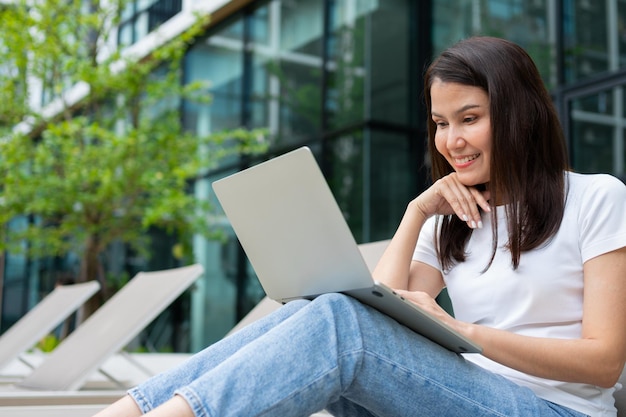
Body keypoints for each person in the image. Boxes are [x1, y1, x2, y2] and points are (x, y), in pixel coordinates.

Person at [93, 36, 626, 417]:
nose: (451, 141)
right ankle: (129, 411)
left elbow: (604, 363)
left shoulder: (595, 197)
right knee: (319, 309)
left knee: (340, 326)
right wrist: (416, 212)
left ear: (520, 115)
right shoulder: (450, 220)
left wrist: (465, 334)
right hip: (451, 397)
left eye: (469, 118)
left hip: (553, 409)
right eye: (441, 124)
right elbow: (384, 308)